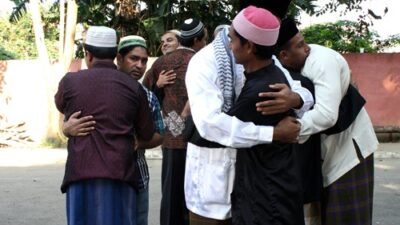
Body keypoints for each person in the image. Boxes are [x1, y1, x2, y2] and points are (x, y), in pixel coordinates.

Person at [183, 2, 314, 224]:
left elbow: (300, 90)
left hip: (254, 189)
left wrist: (295, 98)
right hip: (212, 187)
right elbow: (209, 124)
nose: (230, 42)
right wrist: (272, 133)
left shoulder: (268, 65)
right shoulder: (205, 62)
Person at [268, 18, 379, 225]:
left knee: (347, 219)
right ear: (283, 55)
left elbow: (327, 114)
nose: (308, 48)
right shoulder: (277, 69)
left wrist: (289, 131)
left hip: (348, 155)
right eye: (300, 45)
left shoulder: (321, 61)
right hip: (319, 159)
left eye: (304, 41)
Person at [54, 26, 156, 225]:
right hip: (121, 176)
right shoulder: (135, 88)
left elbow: (61, 108)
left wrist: (67, 128)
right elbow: (147, 133)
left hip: (80, 175)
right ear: (115, 55)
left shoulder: (70, 82)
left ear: (88, 55)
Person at [226, 6, 305, 224]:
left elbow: (212, 133)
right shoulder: (272, 73)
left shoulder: (260, 91)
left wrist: (189, 113)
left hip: (266, 201)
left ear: (249, 46)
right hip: (276, 191)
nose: (229, 46)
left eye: (232, 40)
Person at [142, 18, 208, 225]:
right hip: (200, 138)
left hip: (172, 139)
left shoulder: (161, 64)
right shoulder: (204, 62)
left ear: (180, 40)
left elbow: (143, 95)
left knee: (171, 193)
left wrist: (158, 87)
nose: (164, 44)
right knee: (197, 195)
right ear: (198, 40)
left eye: (168, 40)